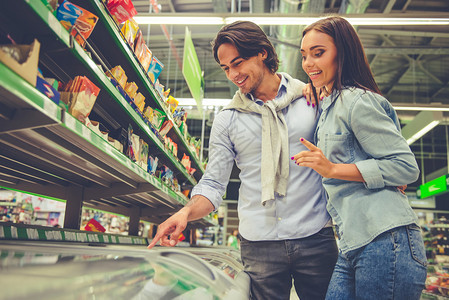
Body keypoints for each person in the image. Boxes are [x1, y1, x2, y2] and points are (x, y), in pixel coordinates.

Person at [148, 21, 338, 300]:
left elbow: (341, 148)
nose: (233, 74)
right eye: (226, 68)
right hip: (259, 244)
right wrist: (184, 213)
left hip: (315, 236)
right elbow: (214, 182)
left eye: (237, 63)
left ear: (262, 52)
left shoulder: (311, 98)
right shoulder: (228, 119)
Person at [293, 16, 427, 299]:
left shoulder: (357, 101)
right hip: (353, 242)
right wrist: (311, 88)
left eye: (319, 53)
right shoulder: (329, 104)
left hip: (386, 238)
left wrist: (332, 169)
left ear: (343, 52)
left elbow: (405, 167)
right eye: (304, 55)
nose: (308, 63)